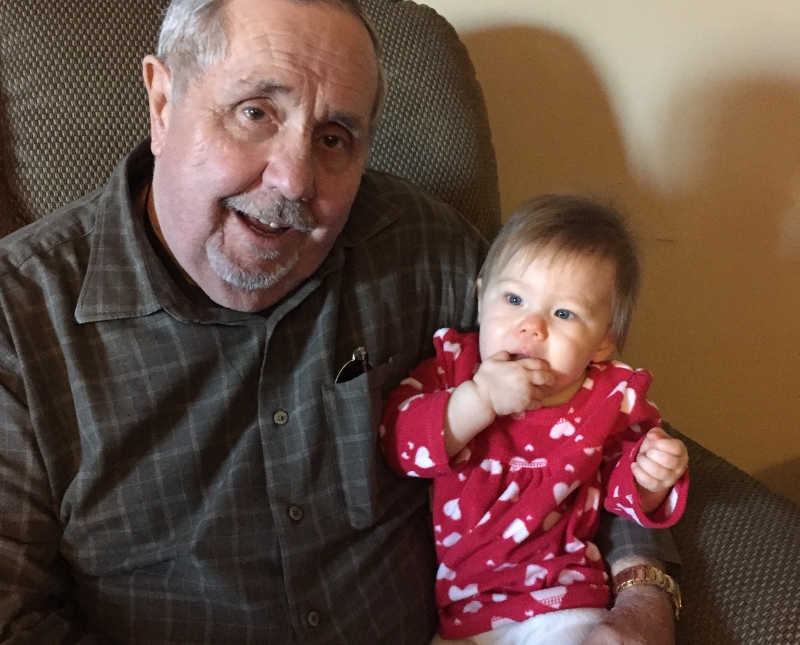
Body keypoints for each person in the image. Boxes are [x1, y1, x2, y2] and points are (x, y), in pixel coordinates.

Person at [0, 0, 679, 642]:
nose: (295, 178)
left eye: (333, 138)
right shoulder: (21, 320)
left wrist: (643, 593)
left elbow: (587, 413)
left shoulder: (419, 248)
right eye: (256, 112)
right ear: (162, 100)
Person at [382, 195, 689, 644]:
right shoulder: (452, 366)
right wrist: (478, 399)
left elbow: (622, 500)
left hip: (564, 602)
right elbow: (399, 445)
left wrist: (651, 478)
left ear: (603, 343)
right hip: (465, 619)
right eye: (513, 298)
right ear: (481, 295)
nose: (532, 327)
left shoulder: (611, 396)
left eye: (563, 313)